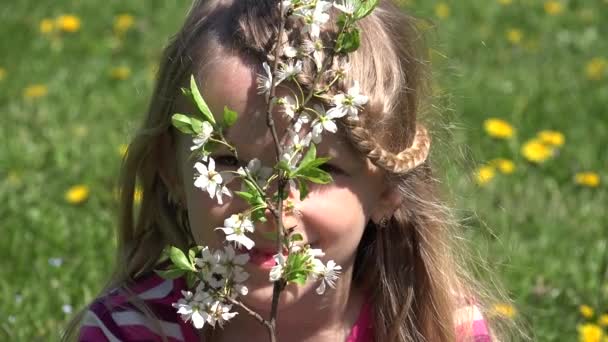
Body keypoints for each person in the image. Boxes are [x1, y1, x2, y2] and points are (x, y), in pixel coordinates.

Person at [65, 0, 502, 340]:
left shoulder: (444, 328)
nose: (271, 209)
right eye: (229, 162)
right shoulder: (132, 330)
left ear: (389, 186)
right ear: (172, 171)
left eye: (320, 170)